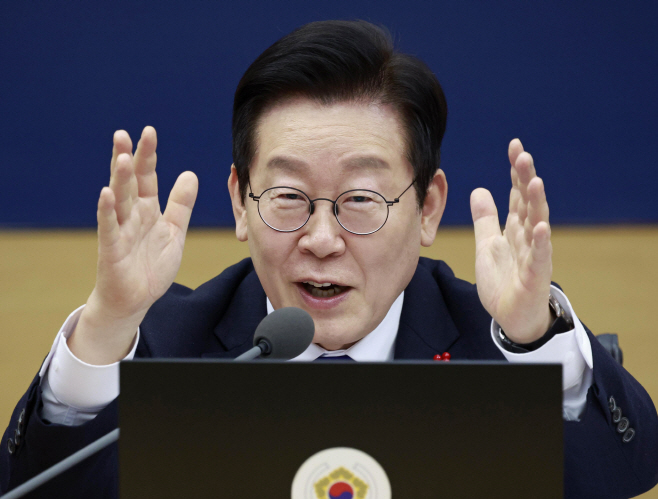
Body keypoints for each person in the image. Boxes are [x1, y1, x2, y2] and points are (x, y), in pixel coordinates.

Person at [1, 20, 657, 499]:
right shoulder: (163, 344)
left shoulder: (500, 343)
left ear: (428, 207)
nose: (321, 238)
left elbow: (627, 471)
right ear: (240, 202)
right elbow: (35, 485)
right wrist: (108, 324)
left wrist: (536, 338)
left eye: (360, 199)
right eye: (288, 197)